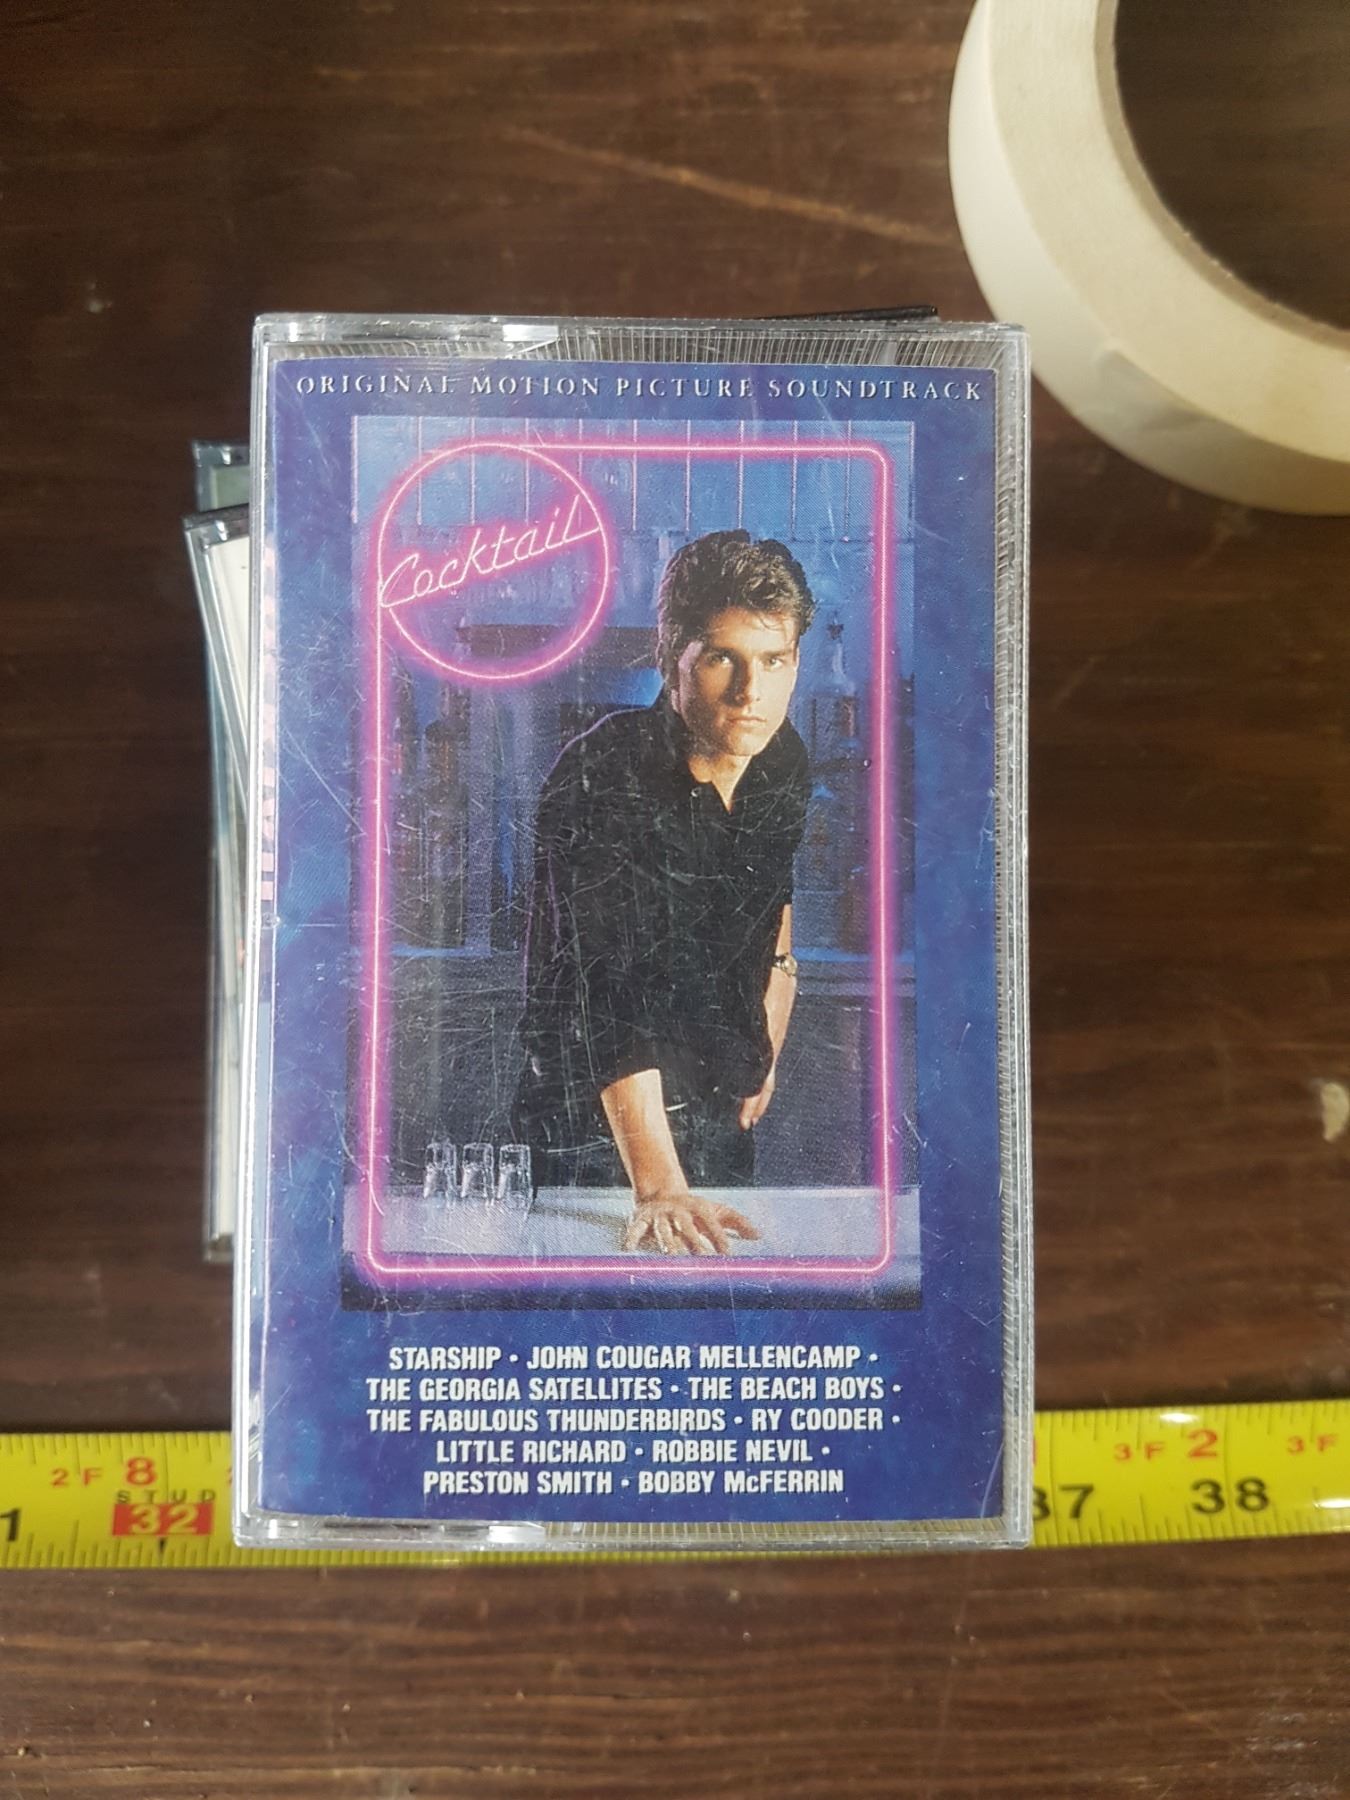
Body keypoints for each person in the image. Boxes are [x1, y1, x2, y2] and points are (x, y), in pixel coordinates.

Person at [514, 529, 816, 1256]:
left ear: (795, 663)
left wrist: (770, 1022)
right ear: (670, 659)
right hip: (596, 1135)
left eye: (773, 661)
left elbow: (773, 899)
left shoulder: (781, 758)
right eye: (722, 658)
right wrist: (657, 1187)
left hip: (717, 1115)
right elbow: (610, 997)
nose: (751, 692)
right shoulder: (603, 773)